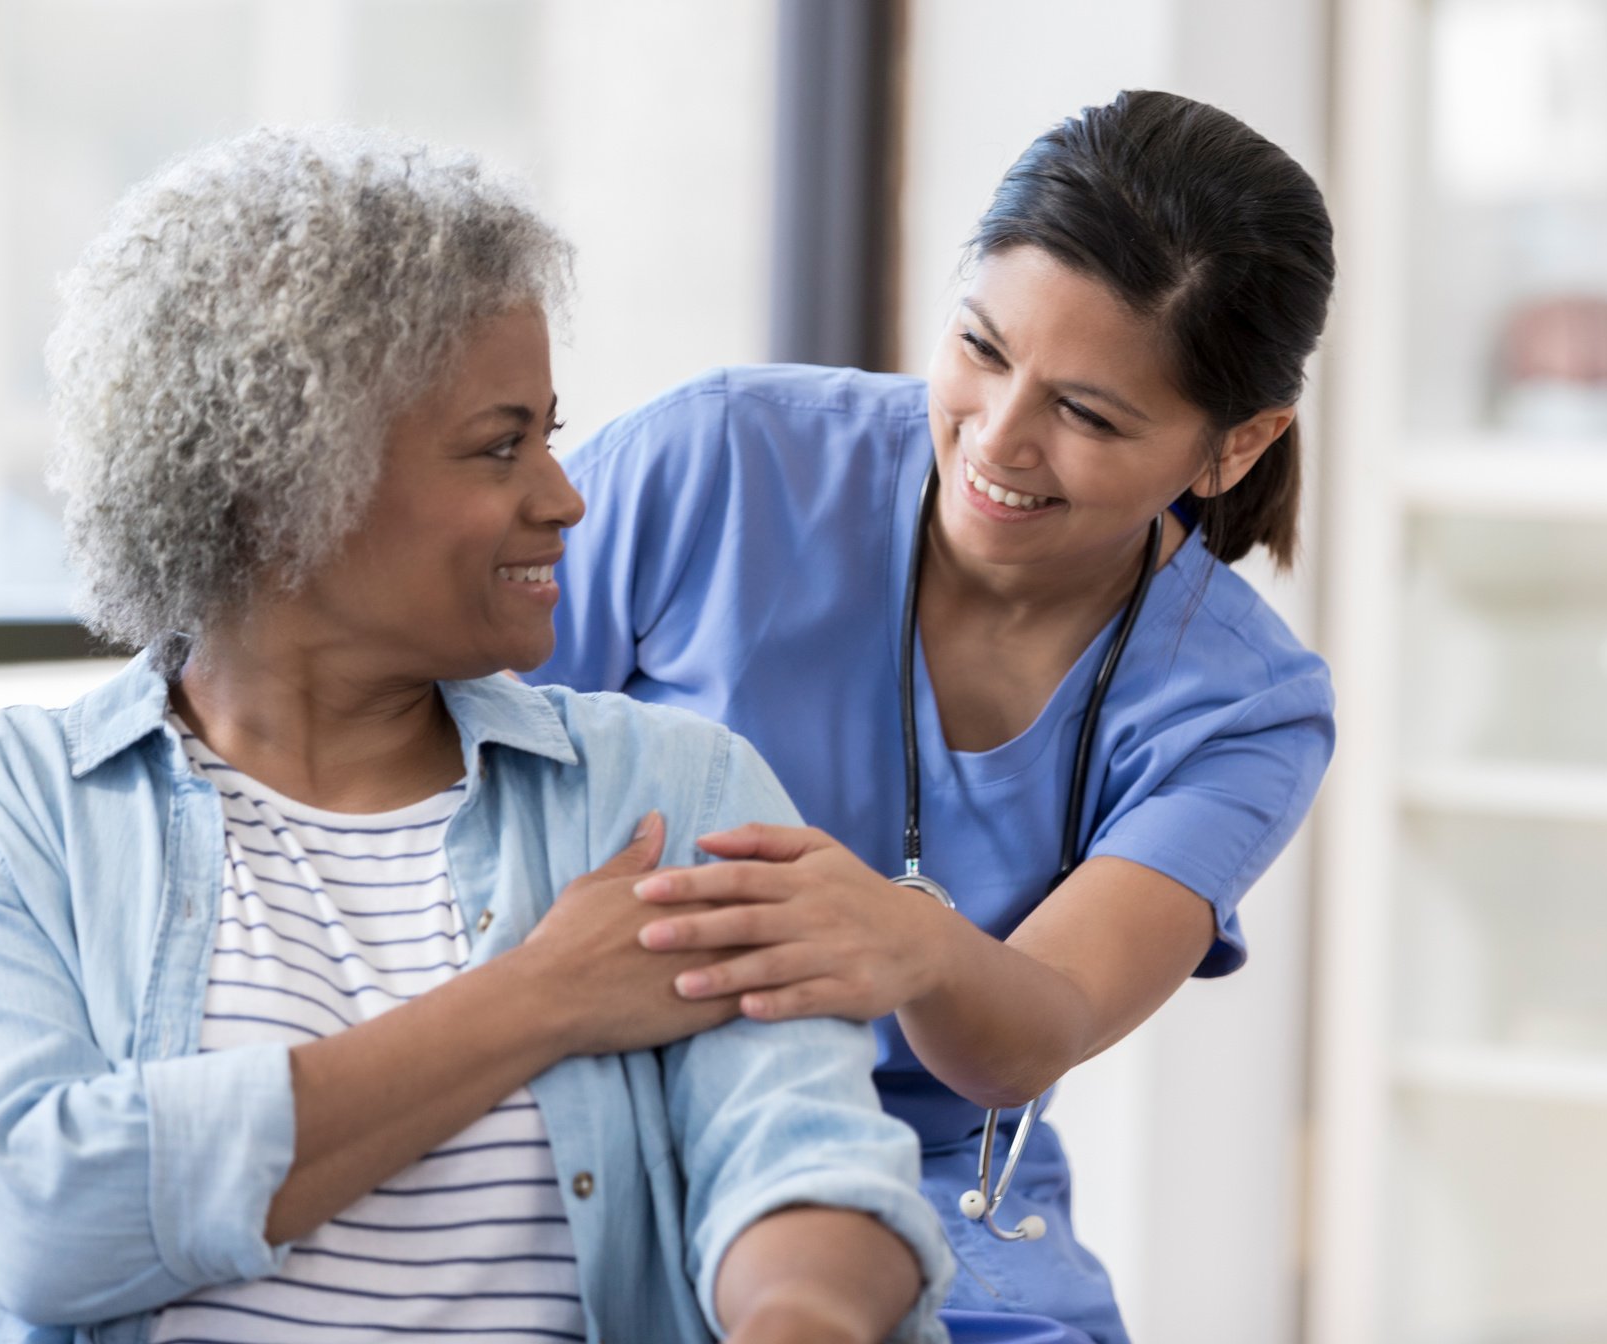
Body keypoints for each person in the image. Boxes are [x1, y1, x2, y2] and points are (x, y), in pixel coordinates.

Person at [0, 126, 953, 1344]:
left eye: (551, 433)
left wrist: (803, 1320)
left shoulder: (665, 787)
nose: (565, 496)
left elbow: (802, 1152)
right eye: (500, 444)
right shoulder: (8, 806)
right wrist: (540, 998)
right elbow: (35, 1219)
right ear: (283, 491)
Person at [532, 90, 1337, 1344]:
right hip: (585, 1102)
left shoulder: (1244, 707)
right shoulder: (728, 460)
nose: (998, 440)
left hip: (931, 1189)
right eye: (980, 349)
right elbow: (432, 747)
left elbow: (1034, 1035)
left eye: (1087, 414)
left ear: (1236, 446)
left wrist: (913, 945)